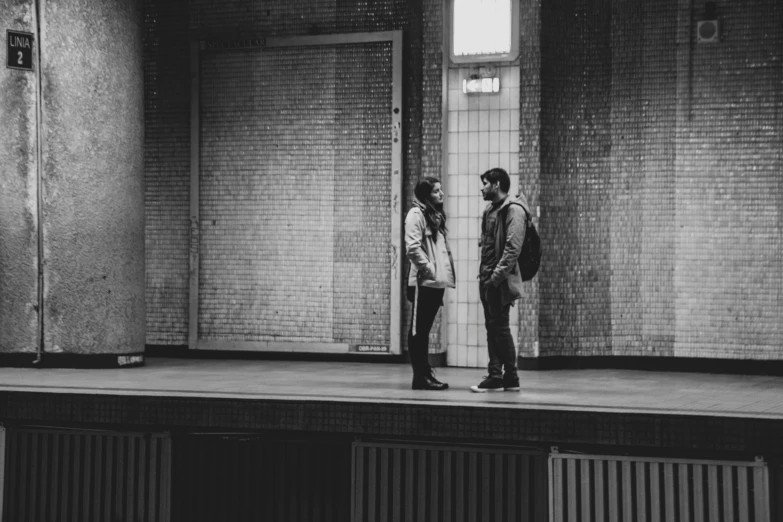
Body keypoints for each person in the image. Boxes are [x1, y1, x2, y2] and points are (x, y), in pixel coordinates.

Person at [471, 168, 528, 393]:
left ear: (496, 185)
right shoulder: (489, 210)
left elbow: (512, 248)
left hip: (499, 280)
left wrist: (495, 278)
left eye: (485, 183)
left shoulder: (513, 210)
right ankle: (496, 375)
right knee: (492, 327)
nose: (482, 188)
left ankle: (511, 376)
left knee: (500, 327)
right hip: (486, 278)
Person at [404, 177, 455, 391]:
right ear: (426, 195)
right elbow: (413, 249)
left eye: (441, 190)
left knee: (424, 330)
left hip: (434, 284)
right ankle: (420, 377)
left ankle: (425, 374)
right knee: (418, 331)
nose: (441, 194)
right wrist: (430, 271)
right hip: (423, 283)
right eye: (436, 191)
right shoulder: (416, 215)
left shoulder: (434, 215)